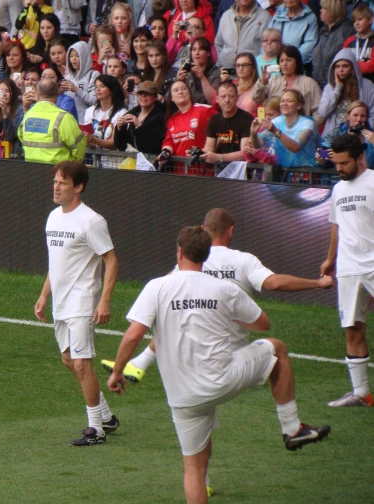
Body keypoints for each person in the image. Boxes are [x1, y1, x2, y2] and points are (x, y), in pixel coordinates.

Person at [107, 225, 330, 504]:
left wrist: (117, 371)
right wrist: (230, 315)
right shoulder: (223, 289)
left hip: (184, 397)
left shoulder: (157, 287)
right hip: (223, 380)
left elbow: (133, 334)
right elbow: (262, 323)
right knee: (276, 349)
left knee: (193, 469)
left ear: (179, 252)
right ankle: (292, 428)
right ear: (205, 255)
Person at [107, 207, 335, 383]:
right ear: (231, 230)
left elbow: (168, 285)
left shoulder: (193, 260)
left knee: (180, 311)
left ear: (203, 229)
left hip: (193, 354)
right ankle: (140, 362)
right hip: (232, 355)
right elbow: (273, 283)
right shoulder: (243, 259)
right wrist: (317, 282)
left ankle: (141, 361)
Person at [34, 160, 119, 446]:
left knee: (82, 363)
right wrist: (45, 294)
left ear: (78, 187)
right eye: (55, 181)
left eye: (62, 183)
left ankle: (96, 429)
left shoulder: (91, 221)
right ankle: (106, 416)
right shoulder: (53, 218)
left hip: (83, 301)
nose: (56, 187)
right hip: (61, 302)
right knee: (69, 360)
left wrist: (104, 300)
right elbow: (55, 263)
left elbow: (111, 260)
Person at [321, 134, 374, 407]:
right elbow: (336, 225)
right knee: (353, 330)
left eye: (345, 163)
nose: (339, 168)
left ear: (360, 158)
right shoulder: (338, 189)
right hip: (349, 268)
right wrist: (330, 259)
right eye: (337, 163)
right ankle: (361, 393)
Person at [19, 79, 86, 163]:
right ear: (58, 93)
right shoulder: (64, 118)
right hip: (60, 172)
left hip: (31, 170)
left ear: (38, 94)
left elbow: (21, 137)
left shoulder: (28, 115)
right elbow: (79, 146)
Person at [318, 49, 374, 148]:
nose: (341, 70)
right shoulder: (329, 87)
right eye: (337, 66)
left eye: (345, 66)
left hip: (360, 134)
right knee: (323, 157)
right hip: (334, 135)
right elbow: (323, 112)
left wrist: (367, 132)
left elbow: (372, 113)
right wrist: (337, 89)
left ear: (353, 68)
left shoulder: (367, 85)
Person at [155, 80, 215, 169]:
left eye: (183, 89)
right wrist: (166, 152)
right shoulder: (171, 119)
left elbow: (221, 128)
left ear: (190, 93)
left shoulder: (204, 110)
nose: (180, 92)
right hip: (180, 171)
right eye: (176, 90)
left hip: (203, 170)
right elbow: (169, 141)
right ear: (171, 98)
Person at [251, 88, 318, 168]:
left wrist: (276, 131)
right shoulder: (277, 121)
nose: (284, 104)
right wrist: (253, 134)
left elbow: (296, 147)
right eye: (282, 101)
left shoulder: (307, 123)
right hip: (283, 171)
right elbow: (258, 144)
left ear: (299, 105)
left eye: (289, 101)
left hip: (306, 171)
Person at [252, 45, 321, 120]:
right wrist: (263, 81)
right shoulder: (273, 81)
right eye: (281, 60)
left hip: (300, 128)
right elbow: (257, 98)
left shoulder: (309, 83)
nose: (284, 64)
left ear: (296, 62)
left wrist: (309, 127)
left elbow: (319, 111)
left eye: (288, 60)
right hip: (273, 127)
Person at [201, 81, 253, 164]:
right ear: (217, 99)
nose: (227, 100)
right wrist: (199, 153)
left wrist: (219, 157)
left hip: (241, 169)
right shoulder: (214, 119)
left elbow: (245, 153)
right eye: (223, 96)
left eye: (231, 96)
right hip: (219, 169)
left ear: (237, 98)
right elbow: (209, 148)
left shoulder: (247, 119)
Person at [215, 0, 271, 69]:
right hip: (227, 74)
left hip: (253, 74)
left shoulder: (265, 17)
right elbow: (219, 44)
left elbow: (268, 48)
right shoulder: (226, 16)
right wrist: (220, 65)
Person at [83, 75, 126, 165]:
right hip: (94, 162)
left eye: (102, 86)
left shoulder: (121, 113)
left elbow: (114, 143)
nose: (98, 89)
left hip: (114, 163)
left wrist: (94, 140)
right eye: (96, 86)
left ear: (112, 90)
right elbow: (89, 142)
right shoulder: (90, 111)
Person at [113, 80, 166, 153]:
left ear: (155, 97)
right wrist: (119, 128)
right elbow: (120, 145)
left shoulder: (161, 117)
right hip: (132, 160)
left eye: (147, 93)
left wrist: (139, 125)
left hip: (151, 161)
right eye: (140, 93)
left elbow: (153, 146)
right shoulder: (133, 113)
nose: (143, 96)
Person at [312, 0, 354, 89]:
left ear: (333, 10)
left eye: (324, 8)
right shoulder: (323, 31)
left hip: (338, 86)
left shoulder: (346, 31)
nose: (321, 10)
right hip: (319, 86)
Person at [268, 0, 318, 72]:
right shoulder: (278, 14)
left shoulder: (310, 18)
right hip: (275, 66)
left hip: (296, 68)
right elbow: (267, 38)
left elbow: (310, 43)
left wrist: (291, 61)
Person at [178, 36, 220, 105]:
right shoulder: (186, 71)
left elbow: (214, 101)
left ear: (208, 53)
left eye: (200, 49)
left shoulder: (216, 72)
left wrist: (202, 78)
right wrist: (178, 81)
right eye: (194, 50)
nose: (196, 53)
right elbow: (170, 99)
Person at [64, 40, 98, 120]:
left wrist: (76, 90)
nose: (73, 59)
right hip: (69, 119)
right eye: (71, 56)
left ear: (85, 56)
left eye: (77, 56)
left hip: (86, 120)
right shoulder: (68, 77)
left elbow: (95, 100)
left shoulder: (93, 75)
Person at [0, 76, 24, 145]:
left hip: (15, 152)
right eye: (0, 91)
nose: (4, 94)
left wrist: (5, 114)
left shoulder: (20, 109)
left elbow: (10, 137)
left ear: (14, 92)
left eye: (7, 91)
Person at [220, 52, 259, 116]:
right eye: (238, 65)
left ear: (253, 67)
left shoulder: (258, 88)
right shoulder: (231, 84)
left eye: (245, 65)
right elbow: (216, 105)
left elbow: (261, 112)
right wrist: (223, 84)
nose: (241, 69)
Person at [343, 4, 374, 84]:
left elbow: (372, 66)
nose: (356, 23)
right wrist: (364, 64)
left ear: (370, 19)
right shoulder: (349, 41)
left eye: (360, 19)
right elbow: (343, 62)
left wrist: (351, 66)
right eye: (354, 21)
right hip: (351, 84)